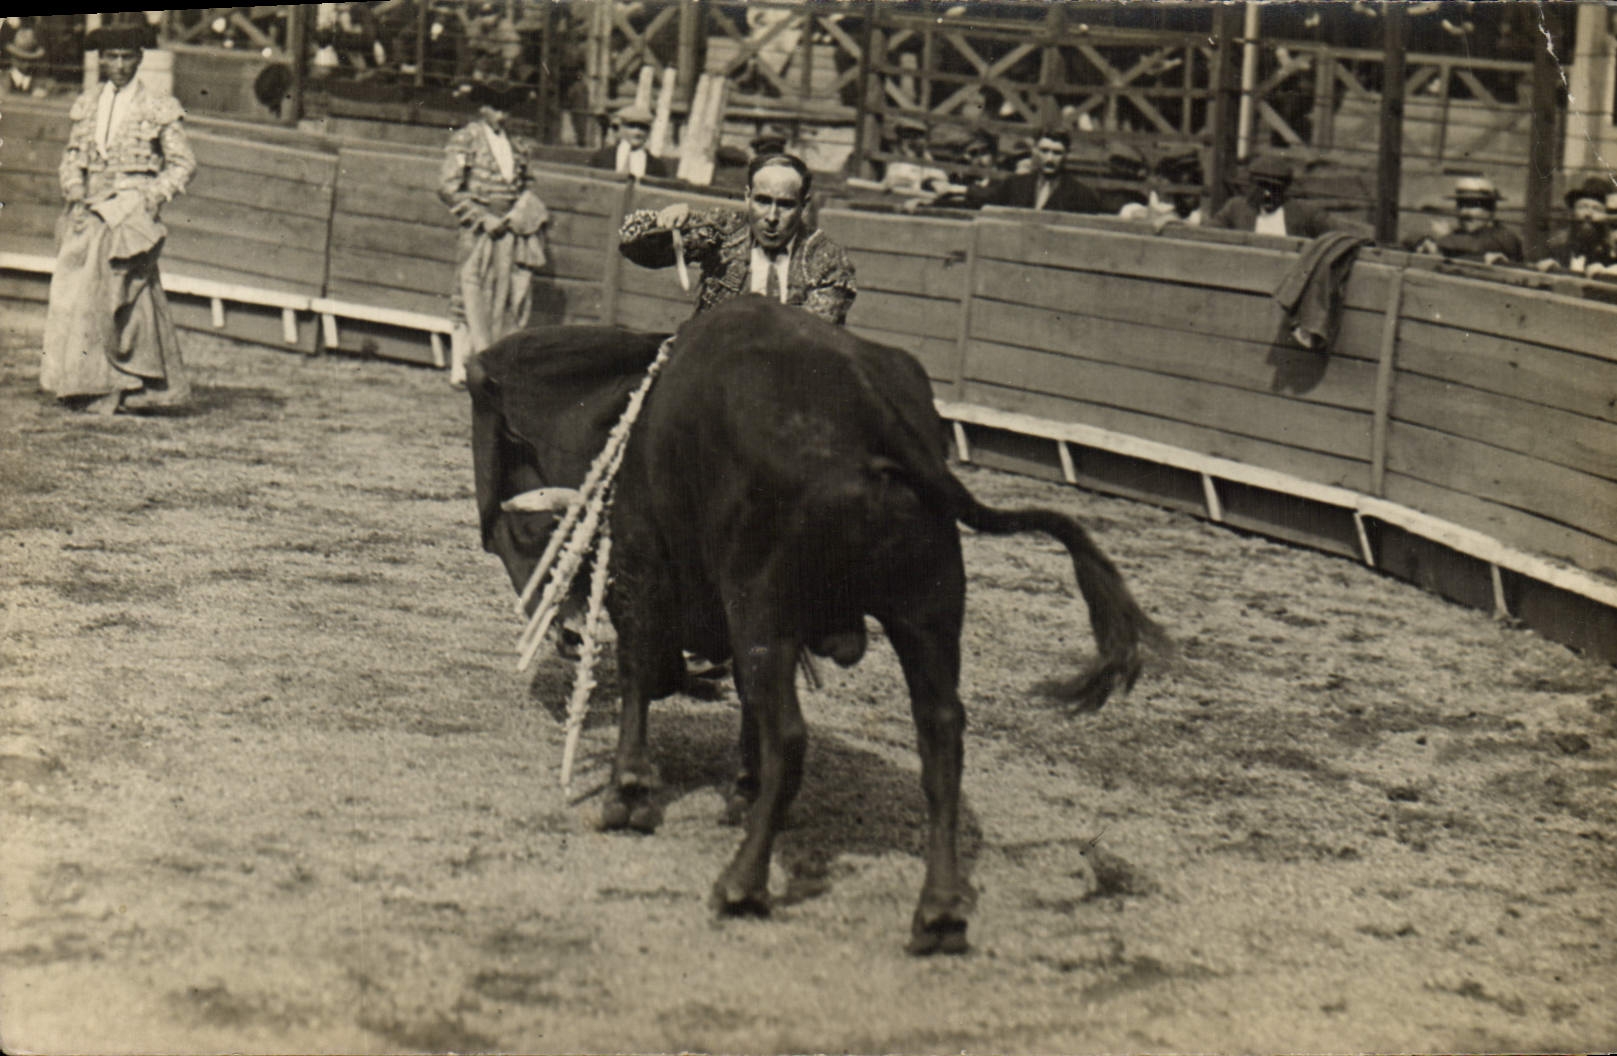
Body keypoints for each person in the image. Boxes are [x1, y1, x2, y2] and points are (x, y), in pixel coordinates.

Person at [40, 22, 194, 415]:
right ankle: (85, 383)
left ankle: (132, 388)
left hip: (129, 211)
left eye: (128, 57)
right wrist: (74, 189)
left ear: (140, 59)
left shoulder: (157, 105)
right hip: (90, 209)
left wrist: (149, 198)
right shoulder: (89, 103)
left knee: (126, 296)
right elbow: (72, 157)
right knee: (77, 293)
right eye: (113, 57)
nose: (121, 64)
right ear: (102, 60)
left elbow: (182, 164)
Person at [618, 152, 857, 325]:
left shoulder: (827, 258)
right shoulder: (724, 229)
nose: (772, 217)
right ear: (747, 197)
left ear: (803, 206)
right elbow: (634, 244)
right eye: (763, 201)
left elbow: (808, 335)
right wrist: (662, 223)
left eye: (785, 205)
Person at [438, 91, 549, 387]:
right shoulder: (467, 139)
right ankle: (459, 367)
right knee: (467, 290)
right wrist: (480, 217)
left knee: (505, 294)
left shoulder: (517, 144)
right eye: (496, 107)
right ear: (482, 107)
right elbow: (448, 188)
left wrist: (518, 214)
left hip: (509, 229)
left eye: (507, 108)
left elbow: (527, 184)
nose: (502, 114)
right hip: (478, 227)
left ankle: (490, 364)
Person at [967, 129, 1105, 214]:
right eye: (1044, 151)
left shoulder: (1081, 195)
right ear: (1035, 151)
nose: (1050, 158)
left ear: (1066, 155)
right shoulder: (1016, 184)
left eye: (1057, 153)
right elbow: (989, 197)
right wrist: (957, 190)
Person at [1207, 154, 1334, 238]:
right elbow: (1209, 234)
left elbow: (1337, 237)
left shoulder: (1306, 213)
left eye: (1274, 189)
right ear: (1251, 184)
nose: (1267, 194)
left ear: (1286, 187)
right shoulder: (1236, 208)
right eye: (1262, 186)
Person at [1410, 176, 1523, 265]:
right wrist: (1424, 242)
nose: (1464, 212)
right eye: (1461, 205)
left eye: (1472, 205)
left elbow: (1477, 247)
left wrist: (1445, 238)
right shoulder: (1461, 234)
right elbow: (1410, 239)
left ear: (1491, 210)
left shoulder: (1503, 237)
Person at [1535, 176, 1613, 274]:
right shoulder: (1556, 253)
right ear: (1573, 213)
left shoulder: (1612, 257)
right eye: (1583, 207)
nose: (1588, 214)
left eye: (1596, 209)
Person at [587, 103, 669, 178]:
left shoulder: (656, 166)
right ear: (620, 129)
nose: (637, 132)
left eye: (643, 128)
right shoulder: (600, 158)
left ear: (649, 133)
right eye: (631, 126)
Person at [1, 25, 51, 98]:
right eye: (20, 59)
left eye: (30, 61)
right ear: (12, 59)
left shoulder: (39, 82)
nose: (26, 64)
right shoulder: (3, 80)